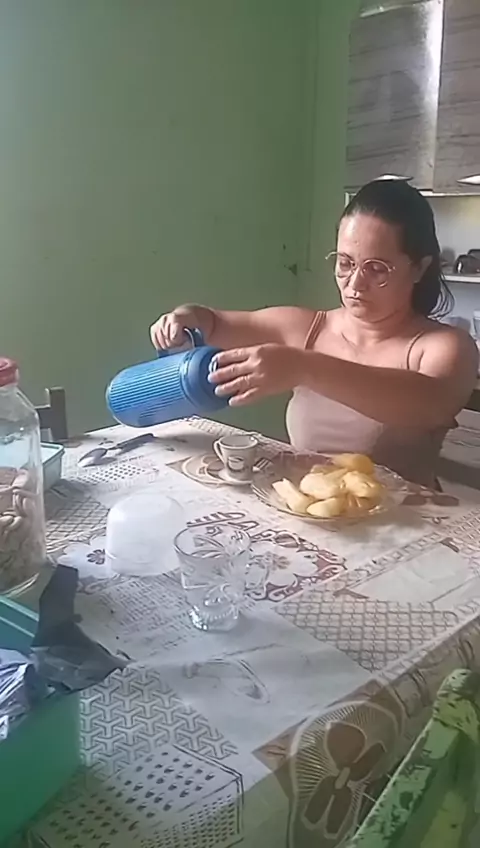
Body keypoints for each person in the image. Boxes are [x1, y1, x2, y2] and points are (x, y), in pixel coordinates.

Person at [150, 180, 477, 486]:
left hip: (407, 523)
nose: (355, 283)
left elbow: (428, 404)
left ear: (419, 268)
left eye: (377, 269)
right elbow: (214, 324)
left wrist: (303, 366)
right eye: (345, 263)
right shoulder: (309, 329)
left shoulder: (445, 346)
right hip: (310, 510)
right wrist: (185, 319)